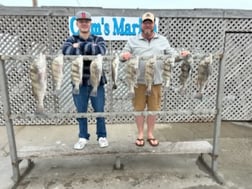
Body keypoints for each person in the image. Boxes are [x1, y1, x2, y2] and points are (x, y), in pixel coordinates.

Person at [120, 12, 189, 147]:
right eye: (145, 22)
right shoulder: (132, 40)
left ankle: (150, 133)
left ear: (154, 24)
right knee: (138, 109)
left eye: (150, 22)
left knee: (153, 109)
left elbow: (172, 55)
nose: (147, 25)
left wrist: (181, 55)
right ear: (141, 24)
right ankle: (140, 134)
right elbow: (123, 56)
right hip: (138, 82)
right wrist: (124, 56)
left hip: (157, 81)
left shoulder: (163, 40)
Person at [62, 10, 108, 149]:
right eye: (81, 22)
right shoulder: (71, 39)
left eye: (86, 21)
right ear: (76, 24)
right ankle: (83, 137)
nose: (84, 24)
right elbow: (66, 51)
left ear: (90, 23)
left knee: (99, 110)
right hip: (79, 82)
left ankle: (102, 136)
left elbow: (100, 51)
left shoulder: (98, 38)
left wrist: (80, 47)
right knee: (81, 111)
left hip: (97, 82)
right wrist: (89, 48)